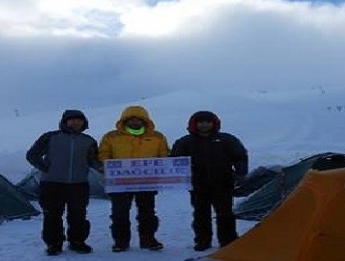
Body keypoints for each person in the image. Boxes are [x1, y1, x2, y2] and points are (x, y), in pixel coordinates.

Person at [26, 109, 102, 256]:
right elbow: (32, 155)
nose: (75, 122)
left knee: (78, 215)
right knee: (52, 215)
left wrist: (105, 169)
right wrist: (45, 168)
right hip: (52, 184)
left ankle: (77, 242)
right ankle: (54, 244)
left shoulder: (88, 141)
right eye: (72, 119)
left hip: (79, 184)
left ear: (84, 122)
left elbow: (93, 160)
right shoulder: (50, 137)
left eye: (79, 120)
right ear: (65, 121)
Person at [170, 110, 248, 252]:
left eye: (208, 122)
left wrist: (240, 174)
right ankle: (202, 241)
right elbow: (174, 161)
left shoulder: (227, 139)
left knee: (225, 214)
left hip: (223, 183)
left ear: (214, 123)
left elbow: (240, 157)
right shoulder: (185, 142)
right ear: (195, 124)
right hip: (197, 185)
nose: (204, 125)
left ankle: (228, 241)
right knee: (201, 214)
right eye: (201, 122)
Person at [98, 106, 169, 252]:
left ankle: (148, 239)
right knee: (119, 213)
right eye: (131, 119)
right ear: (125, 120)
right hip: (120, 183)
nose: (135, 121)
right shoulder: (111, 136)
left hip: (147, 182)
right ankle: (121, 241)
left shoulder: (158, 137)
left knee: (147, 213)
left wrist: (162, 168)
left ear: (144, 120)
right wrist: (109, 167)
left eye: (138, 119)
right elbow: (103, 154)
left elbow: (164, 155)